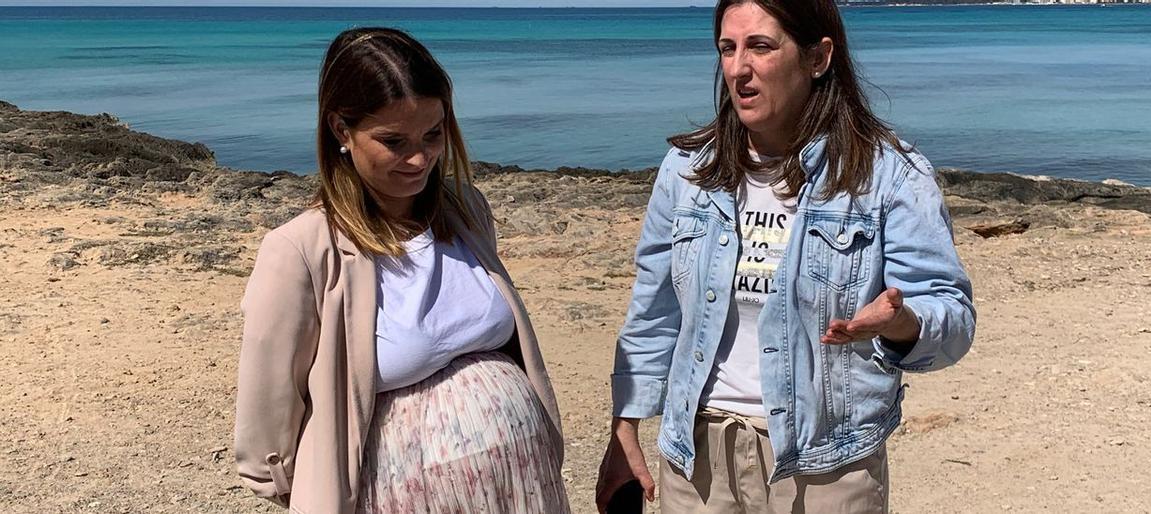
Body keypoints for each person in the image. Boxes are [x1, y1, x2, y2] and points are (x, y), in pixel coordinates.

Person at [595, 0, 976, 512]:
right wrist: (625, 428)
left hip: (826, 467)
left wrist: (900, 322)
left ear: (817, 58)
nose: (738, 69)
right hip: (697, 461)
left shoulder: (888, 176)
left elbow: (951, 316)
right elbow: (653, 309)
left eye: (760, 47)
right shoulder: (688, 171)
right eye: (728, 49)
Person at [233, 27, 569, 514]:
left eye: (433, 134)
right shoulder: (301, 250)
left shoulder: (466, 210)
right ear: (340, 130)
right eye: (393, 141)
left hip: (522, 487)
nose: (420, 158)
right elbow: (267, 414)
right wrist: (302, 490)